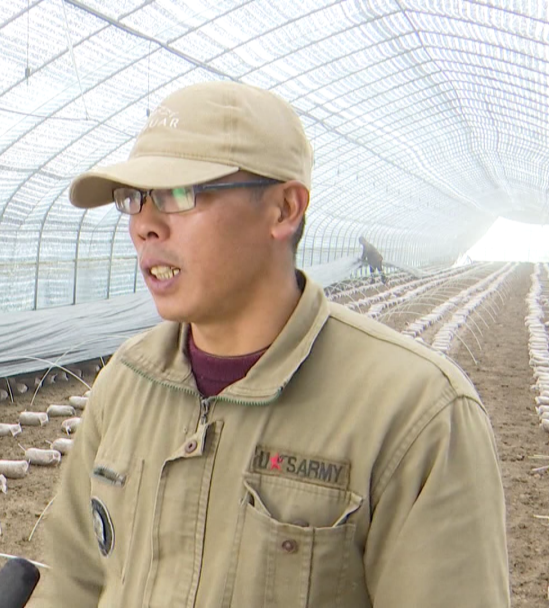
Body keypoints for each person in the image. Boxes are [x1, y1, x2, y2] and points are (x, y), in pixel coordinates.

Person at [26, 81, 509, 607]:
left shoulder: (415, 414)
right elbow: (72, 583)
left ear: (284, 209)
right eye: (133, 199)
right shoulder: (127, 381)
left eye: (179, 193)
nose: (144, 224)